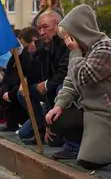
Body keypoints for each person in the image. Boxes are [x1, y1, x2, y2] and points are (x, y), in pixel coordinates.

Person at [45, 4, 111, 169]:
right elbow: (70, 81)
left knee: (90, 163)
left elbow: (84, 77)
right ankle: (87, 144)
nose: (68, 42)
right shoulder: (82, 51)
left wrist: (75, 53)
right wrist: (58, 106)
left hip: (104, 112)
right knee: (57, 120)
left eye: (70, 37)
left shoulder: (106, 47)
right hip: (88, 110)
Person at [17, 11, 69, 144]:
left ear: (58, 25)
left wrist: (46, 85)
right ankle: (40, 129)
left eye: (45, 27)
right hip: (48, 96)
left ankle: (65, 136)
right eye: (39, 28)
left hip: (63, 94)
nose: (41, 32)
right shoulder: (42, 45)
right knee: (23, 93)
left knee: (60, 88)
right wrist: (26, 80)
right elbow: (33, 70)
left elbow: (65, 73)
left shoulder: (66, 43)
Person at [0, 26, 39, 132]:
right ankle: (11, 124)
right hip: (10, 92)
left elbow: (27, 76)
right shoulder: (12, 59)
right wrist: (5, 91)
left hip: (18, 91)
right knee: (1, 91)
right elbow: (6, 78)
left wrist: (10, 93)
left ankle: (26, 123)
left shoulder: (27, 57)